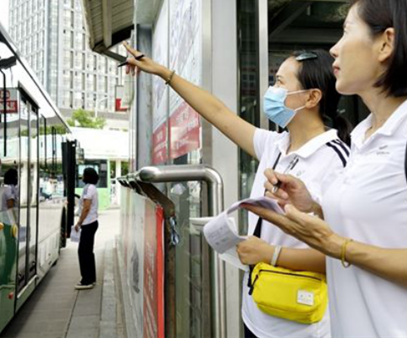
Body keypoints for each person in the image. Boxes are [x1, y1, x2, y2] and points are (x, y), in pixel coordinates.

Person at [247, 0, 407, 338]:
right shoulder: (363, 135)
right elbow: (388, 226)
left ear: (386, 43)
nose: (334, 49)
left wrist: (337, 247)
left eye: (346, 32)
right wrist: (314, 208)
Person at [123, 42, 351, 338]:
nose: (272, 91)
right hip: (258, 309)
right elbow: (217, 112)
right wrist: (164, 73)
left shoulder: (337, 159)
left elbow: (345, 256)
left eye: (280, 83)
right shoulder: (275, 145)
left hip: (302, 324)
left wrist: (270, 254)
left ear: (311, 97)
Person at [75, 167, 100, 290]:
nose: (82, 176)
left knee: (83, 252)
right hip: (92, 222)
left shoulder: (88, 188)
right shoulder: (93, 188)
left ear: (87, 176)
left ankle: (86, 280)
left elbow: (86, 207)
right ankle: (91, 278)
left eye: (83, 174)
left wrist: (79, 222)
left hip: (88, 223)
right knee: (88, 252)